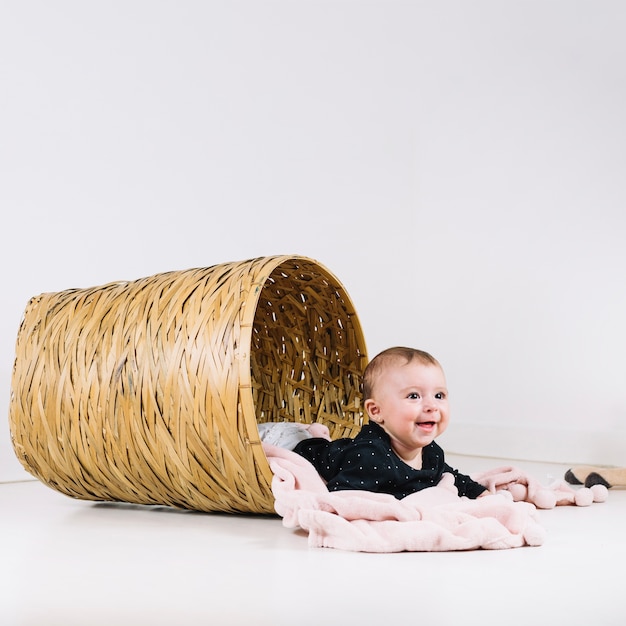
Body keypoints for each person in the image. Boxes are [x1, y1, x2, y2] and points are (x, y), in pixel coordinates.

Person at [293, 346, 487, 500]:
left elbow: (449, 476)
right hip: (299, 448)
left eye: (439, 395)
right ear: (377, 411)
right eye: (414, 396)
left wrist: (480, 493)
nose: (432, 406)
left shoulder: (431, 452)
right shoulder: (370, 456)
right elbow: (341, 497)